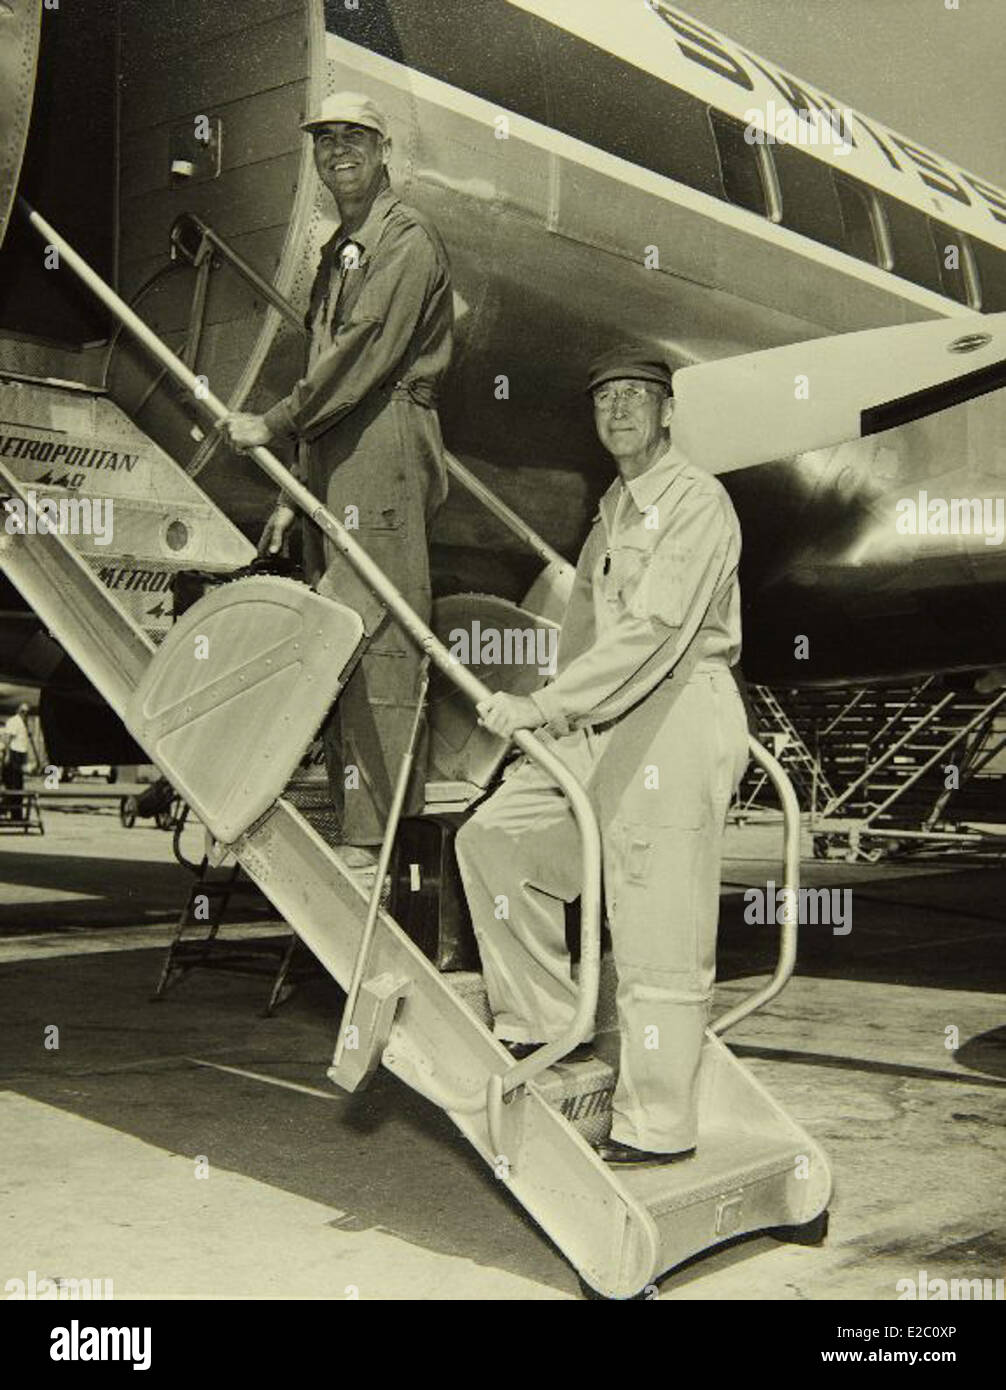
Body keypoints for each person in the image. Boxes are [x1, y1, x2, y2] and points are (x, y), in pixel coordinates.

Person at [455, 346, 749, 1166]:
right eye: (604, 399)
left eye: (636, 397)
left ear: (666, 412)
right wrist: (556, 722)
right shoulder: (614, 508)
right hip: (601, 720)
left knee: (658, 925)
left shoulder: (696, 502)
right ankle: (544, 1025)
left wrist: (546, 706)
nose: (618, 410)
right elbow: (587, 632)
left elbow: (655, 633)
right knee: (496, 840)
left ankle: (658, 1127)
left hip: (677, 712)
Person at [224, 93, 453, 846]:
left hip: (379, 436)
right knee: (340, 632)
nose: (339, 151)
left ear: (385, 150)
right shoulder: (341, 249)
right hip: (334, 446)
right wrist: (296, 477)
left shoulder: (405, 237)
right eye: (326, 141)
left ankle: (381, 837)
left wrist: (275, 421)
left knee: (379, 630)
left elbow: (361, 355)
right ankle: (358, 822)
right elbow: (328, 358)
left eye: (355, 137)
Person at [2, 702, 32, 823]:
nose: (25, 714)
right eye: (23, 712)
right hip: (13, 754)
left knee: (19, 787)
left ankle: (16, 815)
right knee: (14, 787)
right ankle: (8, 811)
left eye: (27, 712)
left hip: (20, 756)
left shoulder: (23, 723)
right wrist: (7, 755)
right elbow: (8, 739)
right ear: (18, 711)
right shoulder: (14, 721)